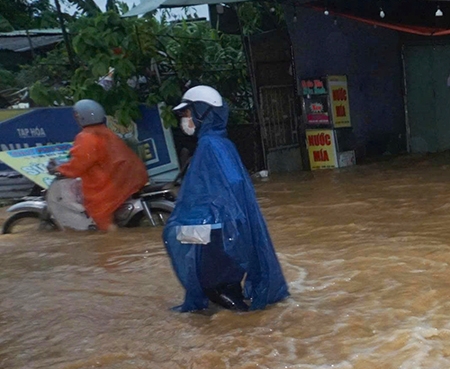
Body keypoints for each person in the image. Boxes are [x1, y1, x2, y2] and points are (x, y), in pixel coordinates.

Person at [163, 86, 289, 312]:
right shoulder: (221, 143)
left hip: (217, 229)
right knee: (226, 282)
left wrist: (214, 214)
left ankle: (245, 322)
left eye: (188, 113)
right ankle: (243, 321)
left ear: (201, 112)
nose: (185, 119)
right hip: (225, 227)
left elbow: (228, 184)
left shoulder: (209, 145)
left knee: (213, 285)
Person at [49, 99, 148, 231]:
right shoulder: (106, 132)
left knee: (100, 215)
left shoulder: (87, 137)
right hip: (129, 178)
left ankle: (112, 237)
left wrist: (59, 169)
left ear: (80, 117)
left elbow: (79, 164)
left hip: (111, 184)